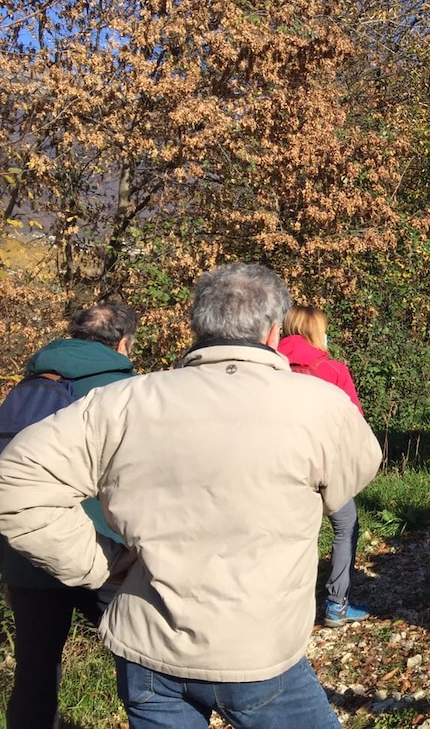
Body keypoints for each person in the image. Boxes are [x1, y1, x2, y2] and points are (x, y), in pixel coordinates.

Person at [0, 263, 381, 729]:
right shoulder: (320, 405)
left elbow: (15, 482)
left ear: (199, 327)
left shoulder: (123, 401)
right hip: (259, 652)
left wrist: (101, 563)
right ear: (272, 332)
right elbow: (354, 475)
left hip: (148, 649)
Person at [2, 303, 138, 729]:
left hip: (25, 555)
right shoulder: (125, 391)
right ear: (123, 343)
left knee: (35, 672)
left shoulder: (27, 386)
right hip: (107, 557)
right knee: (141, 662)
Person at [279, 305, 369, 628]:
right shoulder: (332, 369)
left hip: (278, 465)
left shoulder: (268, 368)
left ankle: (286, 609)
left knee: (287, 536)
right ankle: (336, 604)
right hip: (327, 466)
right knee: (345, 526)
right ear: (317, 332)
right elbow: (353, 422)